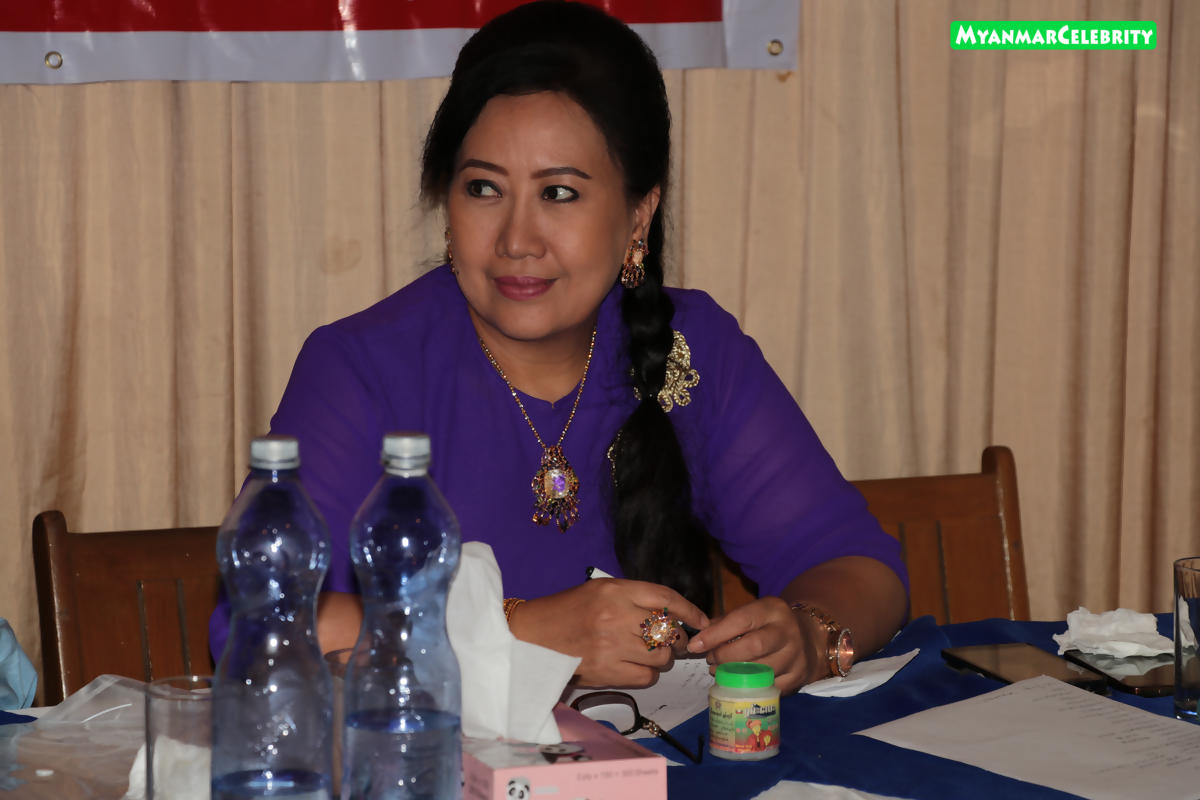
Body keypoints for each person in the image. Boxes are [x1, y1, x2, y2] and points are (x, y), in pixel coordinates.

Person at [209, 0, 908, 693]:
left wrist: (807, 636)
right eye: (484, 188)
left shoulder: (692, 351)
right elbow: (258, 621)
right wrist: (523, 634)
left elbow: (860, 567)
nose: (517, 240)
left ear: (639, 214)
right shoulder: (364, 368)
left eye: (560, 194)